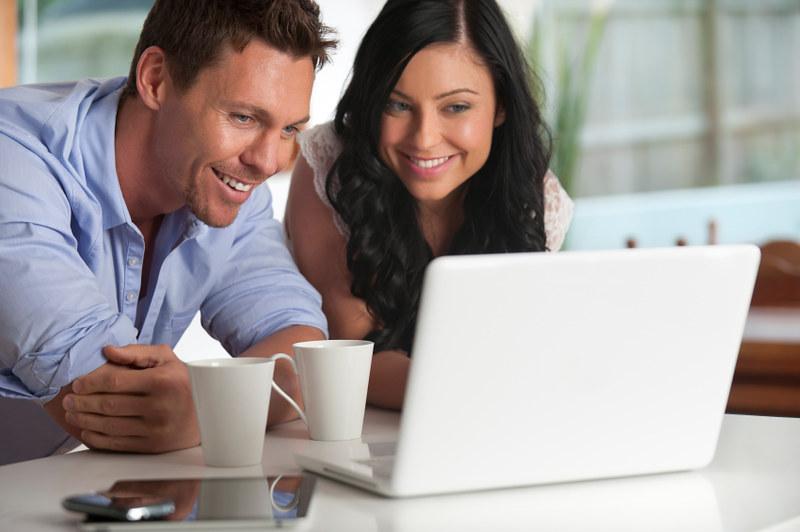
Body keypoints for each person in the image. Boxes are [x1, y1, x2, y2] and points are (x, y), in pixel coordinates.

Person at [0, 0, 337, 465]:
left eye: (288, 130)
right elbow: (110, 403)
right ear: (156, 79)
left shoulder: (226, 183)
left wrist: (199, 410)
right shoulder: (13, 161)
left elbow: (304, 353)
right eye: (243, 117)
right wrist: (227, 402)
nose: (267, 162)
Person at [286, 0, 574, 410]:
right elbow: (354, 362)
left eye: (455, 107)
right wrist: (494, 387)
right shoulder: (329, 165)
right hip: (356, 437)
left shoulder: (536, 199)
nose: (424, 138)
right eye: (398, 105)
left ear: (502, 106)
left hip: (477, 434)